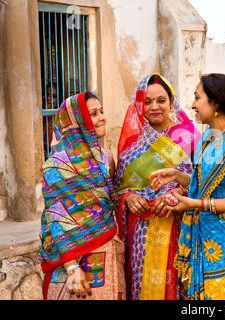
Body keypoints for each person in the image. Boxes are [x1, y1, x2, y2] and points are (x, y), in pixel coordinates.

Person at [157, 73, 225, 300]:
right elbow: (204, 184)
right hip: (205, 239)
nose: (192, 104)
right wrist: (176, 176)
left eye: (197, 98)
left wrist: (195, 204)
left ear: (216, 104)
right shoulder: (208, 137)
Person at [113, 73, 200, 300]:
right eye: (147, 101)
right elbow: (118, 188)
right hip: (140, 233)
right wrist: (129, 198)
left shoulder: (189, 138)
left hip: (178, 227)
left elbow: (204, 183)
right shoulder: (132, 141)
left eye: (161, 100)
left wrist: (177, 193)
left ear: (172, 102)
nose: (154, 107)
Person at [39, 92, 126, 300]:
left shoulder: (106, 158)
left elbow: (113, 197)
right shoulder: (56, 165)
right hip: (73, 260)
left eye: (101, 111)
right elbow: (55, 219)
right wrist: (71, 267)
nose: (102, 117)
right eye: (93, 114)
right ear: (76, 122)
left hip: (108, 250)